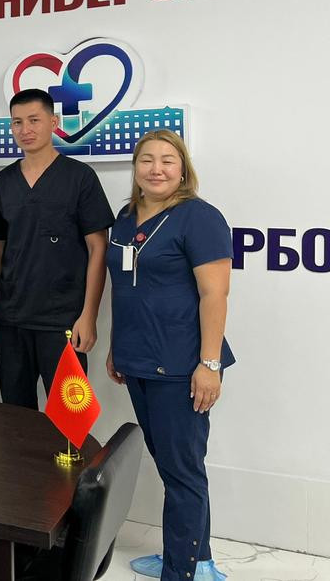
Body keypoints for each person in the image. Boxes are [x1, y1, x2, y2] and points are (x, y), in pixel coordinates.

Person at [105, 129, 234, 581]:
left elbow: (215, 295)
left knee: (182, 471)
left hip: (182, 364)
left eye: (167, 160)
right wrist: (116, 346)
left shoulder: (199, 218)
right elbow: (125, 289)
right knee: (172, 466)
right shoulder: (126, 217)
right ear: (135, 168)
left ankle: (182, 570)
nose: (156, 169)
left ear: (183, 170)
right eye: (146, 160)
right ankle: (197, 559)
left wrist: (209, 364)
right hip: (138, 357)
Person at [0, 88, 113, 409]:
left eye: (34, 120)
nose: (25, 129)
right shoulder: (3, 183)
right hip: (11, 320)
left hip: (63, 321)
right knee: (16, 417)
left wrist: (89, 316)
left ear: (53, 123)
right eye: (17, 122)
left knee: (70, 418)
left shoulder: (80, 178)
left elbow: (98, 249)